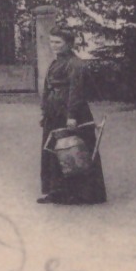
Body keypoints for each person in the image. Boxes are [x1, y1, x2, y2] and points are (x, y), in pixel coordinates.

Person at [38, 25, 107, 205]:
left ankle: (82, 194)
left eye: (58, 42)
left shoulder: (75, 64)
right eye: (52, 42)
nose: (54, 45)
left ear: (69, 43)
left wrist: (72, 116)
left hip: (70, 113)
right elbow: (48, 87)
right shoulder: (56, 62)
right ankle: (56, 192)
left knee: (76, 151)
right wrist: (45, 111)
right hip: (54, 113)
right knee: (54, 150)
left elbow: (77, 91)